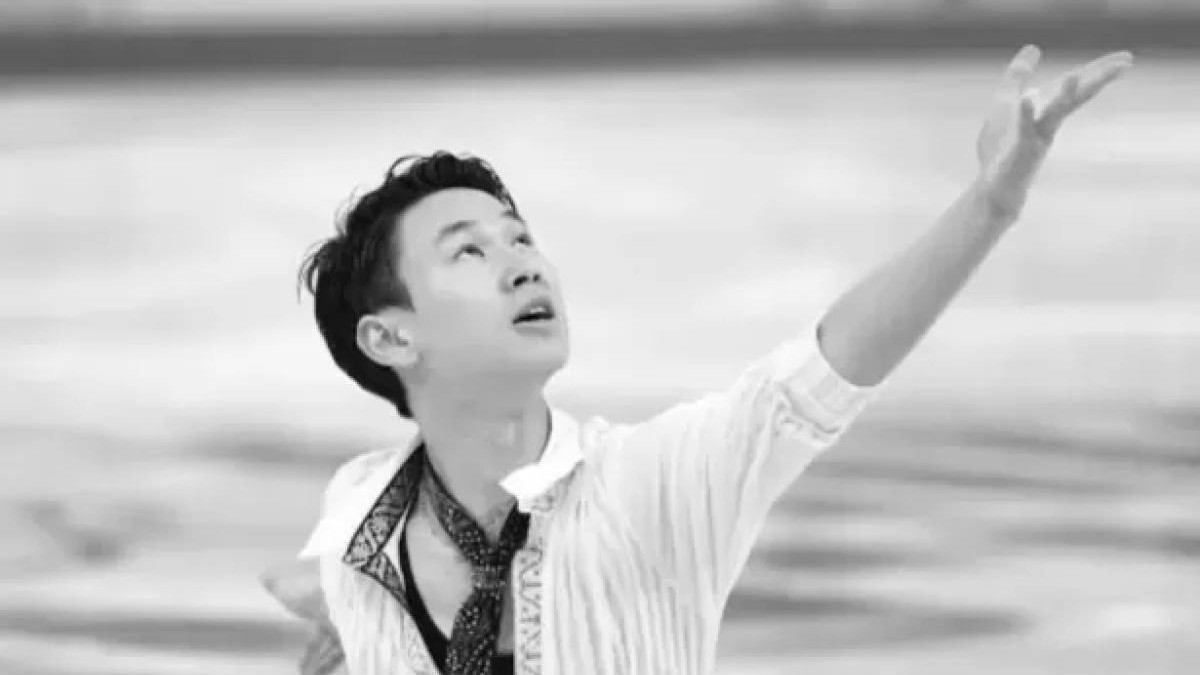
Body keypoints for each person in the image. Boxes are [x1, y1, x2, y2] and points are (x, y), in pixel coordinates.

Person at [260, 45, 1133, 675]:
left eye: (520, 238)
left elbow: (819, 376)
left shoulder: (653, 486)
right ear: (389, 338)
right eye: (469, 250)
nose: (523, 263)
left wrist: (988, 205)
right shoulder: (360, 511)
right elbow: (321, 586)